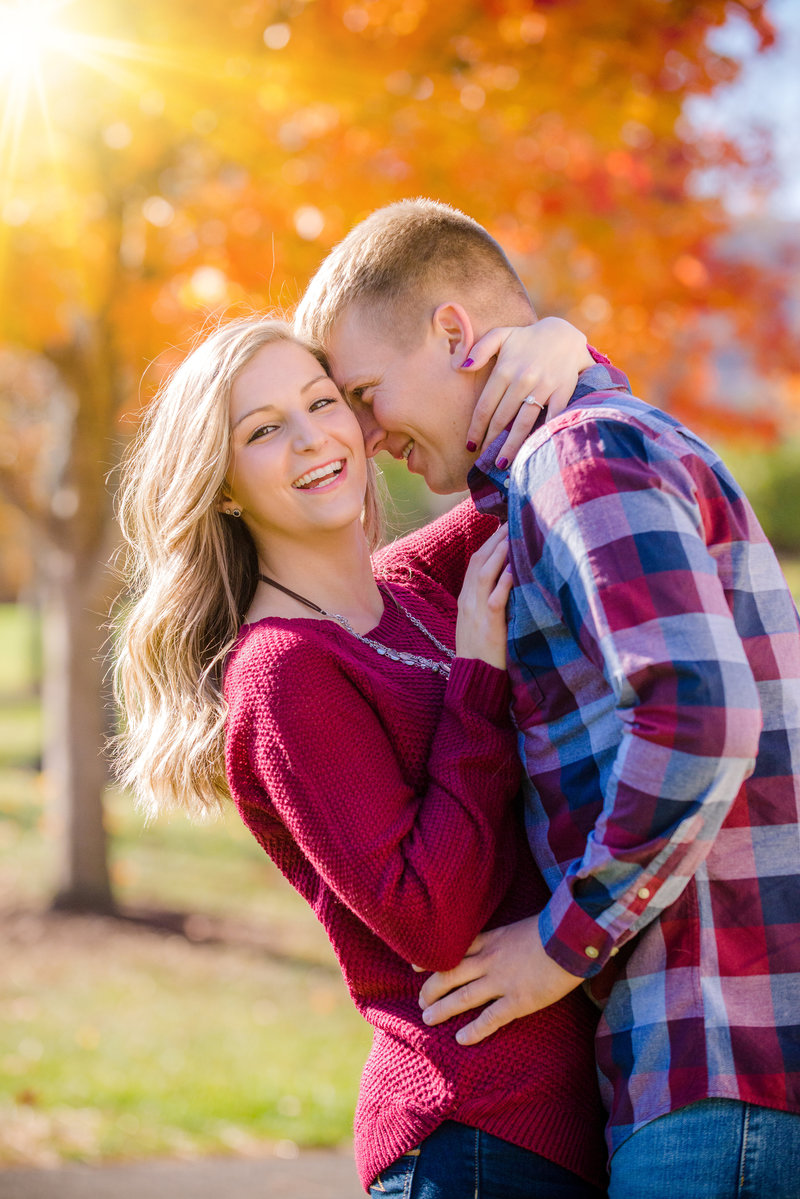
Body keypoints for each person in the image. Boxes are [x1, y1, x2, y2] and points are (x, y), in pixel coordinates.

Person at [294, 197, 800, 1198]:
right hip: (699, 1061)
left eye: (361, 391)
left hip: (715, 1059)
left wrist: (557, 944)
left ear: (451, 334)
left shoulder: (580, 456)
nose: (360, 432)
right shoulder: (552, 475)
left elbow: (699, 713)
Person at [113, 316, 610, 1197]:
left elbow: (548, 464)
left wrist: (566, 344)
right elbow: (429, 918)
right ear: (222, 484)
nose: (313, 438)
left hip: (570, 1121)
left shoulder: (414, 590)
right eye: (264, 429)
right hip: (473, 1133)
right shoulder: (284, 671)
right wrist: (478, 671)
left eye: (323, 401)